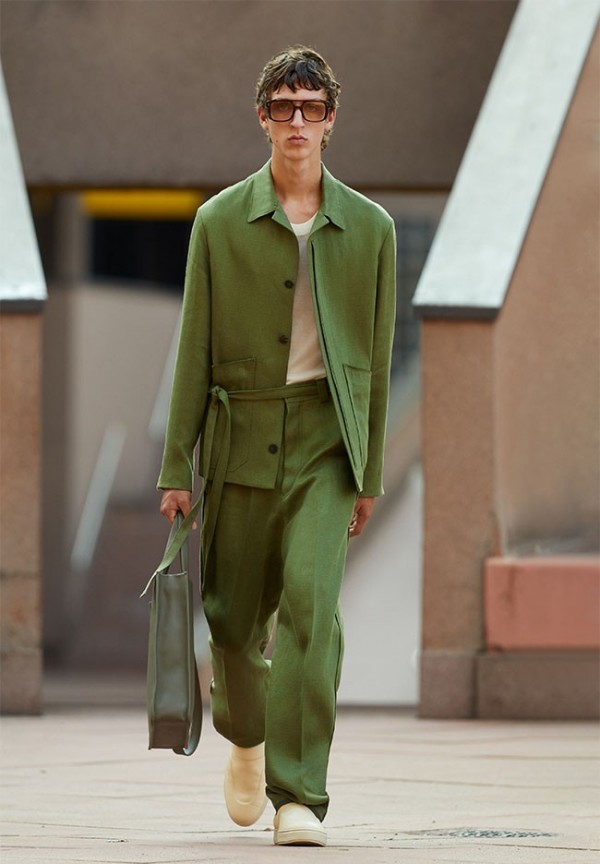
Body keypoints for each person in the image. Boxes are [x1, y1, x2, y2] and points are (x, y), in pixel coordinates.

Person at [158, 45, 396, 847]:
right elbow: (193, 348)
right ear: (263, 117)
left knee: (309, 607)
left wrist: (369, 473)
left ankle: (299, 797)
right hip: (240, 438)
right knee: (230, 621)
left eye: (312, 108)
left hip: (327, 444)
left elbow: (376, 364)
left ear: (330, 120)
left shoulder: (372, 229)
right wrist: (176, 464)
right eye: (284, 108)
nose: (298, 122)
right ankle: (247, 737)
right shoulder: (218, 222)